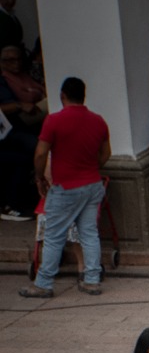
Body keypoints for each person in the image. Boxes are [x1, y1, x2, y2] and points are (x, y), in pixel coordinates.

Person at [18, 77, 109, 299]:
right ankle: (92, 281)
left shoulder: (54, 120)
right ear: (84, 95)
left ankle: (44, 283)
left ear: (62, 95)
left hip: (65, 186)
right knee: (89, 233)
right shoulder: (98, 121)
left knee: (54, 236)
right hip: (93, 184)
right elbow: (106, 154)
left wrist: (39, 177)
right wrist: (90, 168)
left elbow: (40, 153)